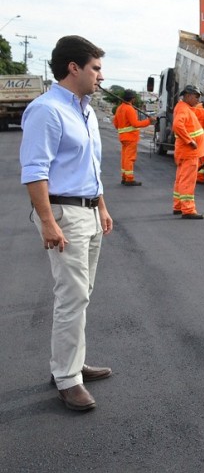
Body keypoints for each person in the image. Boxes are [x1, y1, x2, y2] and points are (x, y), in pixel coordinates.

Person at [20, 35, 114, 411]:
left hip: (89, 210)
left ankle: (71, 363)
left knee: (82, 294)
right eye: (96, 68)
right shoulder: (47, 110)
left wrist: (102, 206)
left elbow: (90, 166)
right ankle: (67, 378)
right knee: (71, 297)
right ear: (73, 68)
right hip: (65, 214)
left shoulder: (86, 110)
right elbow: (34, 171)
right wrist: (47, 221)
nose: (101, 76)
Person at [171, 85, 204, 219]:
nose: (198, 99)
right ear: (187, 96)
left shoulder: (186, 108)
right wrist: (189, 141)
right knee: (188, 181)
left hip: (184, 152)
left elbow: (203, 113)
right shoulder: (183, 109)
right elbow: (177, 125)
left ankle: (178, 206)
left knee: (181, 179)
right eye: (196, 96)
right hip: (189, 152)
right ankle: (188, 209)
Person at [112, 88, 151, 186]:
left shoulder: (119, 108)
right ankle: (129, 179)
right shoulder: (129, 108)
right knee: (129, 158)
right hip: (130, 138)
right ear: (132, 99)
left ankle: (124, 177)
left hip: (123, 137)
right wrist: (149, 121)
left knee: (125, 157)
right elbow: (135, 124)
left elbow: (116, 124)